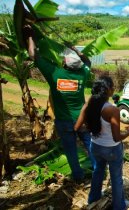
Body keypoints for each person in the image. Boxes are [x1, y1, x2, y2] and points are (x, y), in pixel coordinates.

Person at [26, 25, 94, 181]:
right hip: (82, 119)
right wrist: (74, 49)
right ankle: (98, 171)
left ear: (65, 63)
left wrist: (30, 35)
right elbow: (87, 61)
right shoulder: (82, 75)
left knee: (71, 150)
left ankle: (78, 176)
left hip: (64, 122)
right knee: (90, 146)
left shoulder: (55, 74)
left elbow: (33, 55)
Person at [74, 76, 129, 210]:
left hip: (95, 146)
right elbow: (117, 137)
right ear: (108, 90)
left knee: (97, 172)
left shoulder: (89, 105)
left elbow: (77, 127)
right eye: (112, 87)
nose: (113, 89)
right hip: (112, 149)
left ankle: (93, 198)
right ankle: (119, 206)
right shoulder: (112, 110)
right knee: (116, 178)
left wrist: (91, 129)